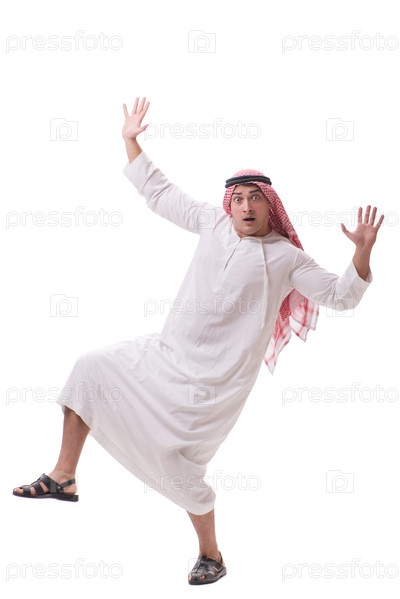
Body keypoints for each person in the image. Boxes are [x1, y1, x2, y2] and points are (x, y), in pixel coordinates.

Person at [13, 97, 384, 585]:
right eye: (239, 198)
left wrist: (361, 254)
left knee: (178, 465)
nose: (246, 206)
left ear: (270, 206)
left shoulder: (287, 258)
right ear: (229, 203)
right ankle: (64, 476)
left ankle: (212, 555)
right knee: (89, 368)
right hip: (164, 356)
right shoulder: (212, 223)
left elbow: (341, 296)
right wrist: (130, 140)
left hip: (213, 386)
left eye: (255, 198)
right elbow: (159, 191)